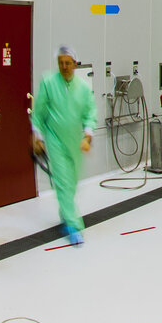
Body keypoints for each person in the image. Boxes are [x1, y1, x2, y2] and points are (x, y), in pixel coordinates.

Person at [31, 45, 97, 245]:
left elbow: (89, 115)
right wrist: (38, 136)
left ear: (75, 64)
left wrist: (88, 135)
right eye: (61, 63)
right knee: (63, 182)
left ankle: (65, 213)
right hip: (55, 140)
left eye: (68, 63)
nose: (64, 67)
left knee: (72, 183)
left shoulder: (84, 88)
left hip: (75, 142)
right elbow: (39, 113)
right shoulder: (49, 82)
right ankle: (74, 224)